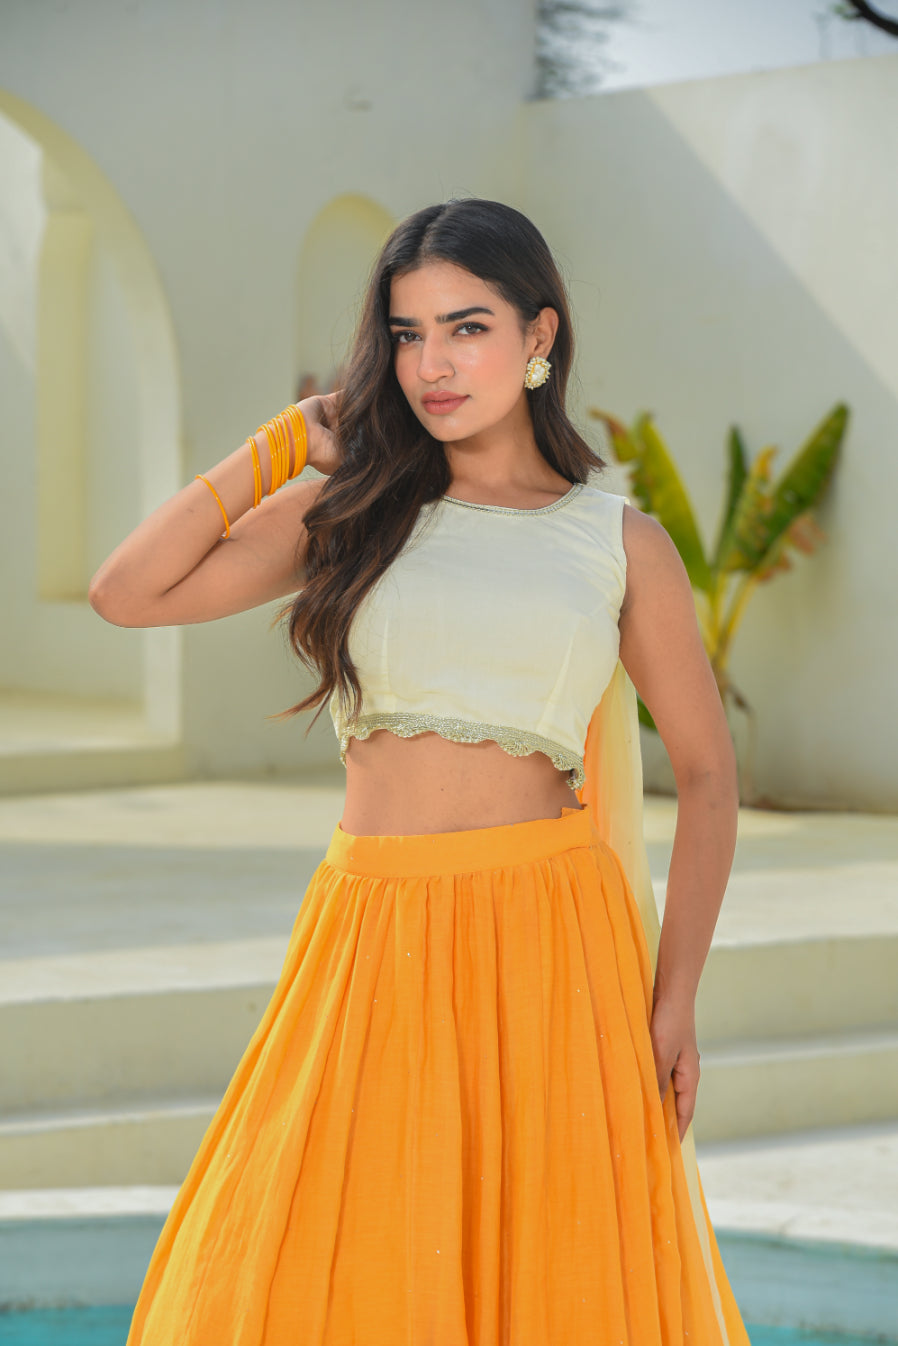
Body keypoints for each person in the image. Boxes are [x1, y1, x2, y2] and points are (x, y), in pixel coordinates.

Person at [89, 197, 751, 1344]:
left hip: (555, 938)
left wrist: (676, 996)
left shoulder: (614, 539)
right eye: (406, 334)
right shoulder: (351, 512)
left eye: (467, 327)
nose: (432, 364)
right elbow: (126, 591)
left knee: (545, 1263)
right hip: (370, 923)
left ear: (539, 336)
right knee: (313, 1246)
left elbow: (705, 776)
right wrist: (285, 441)